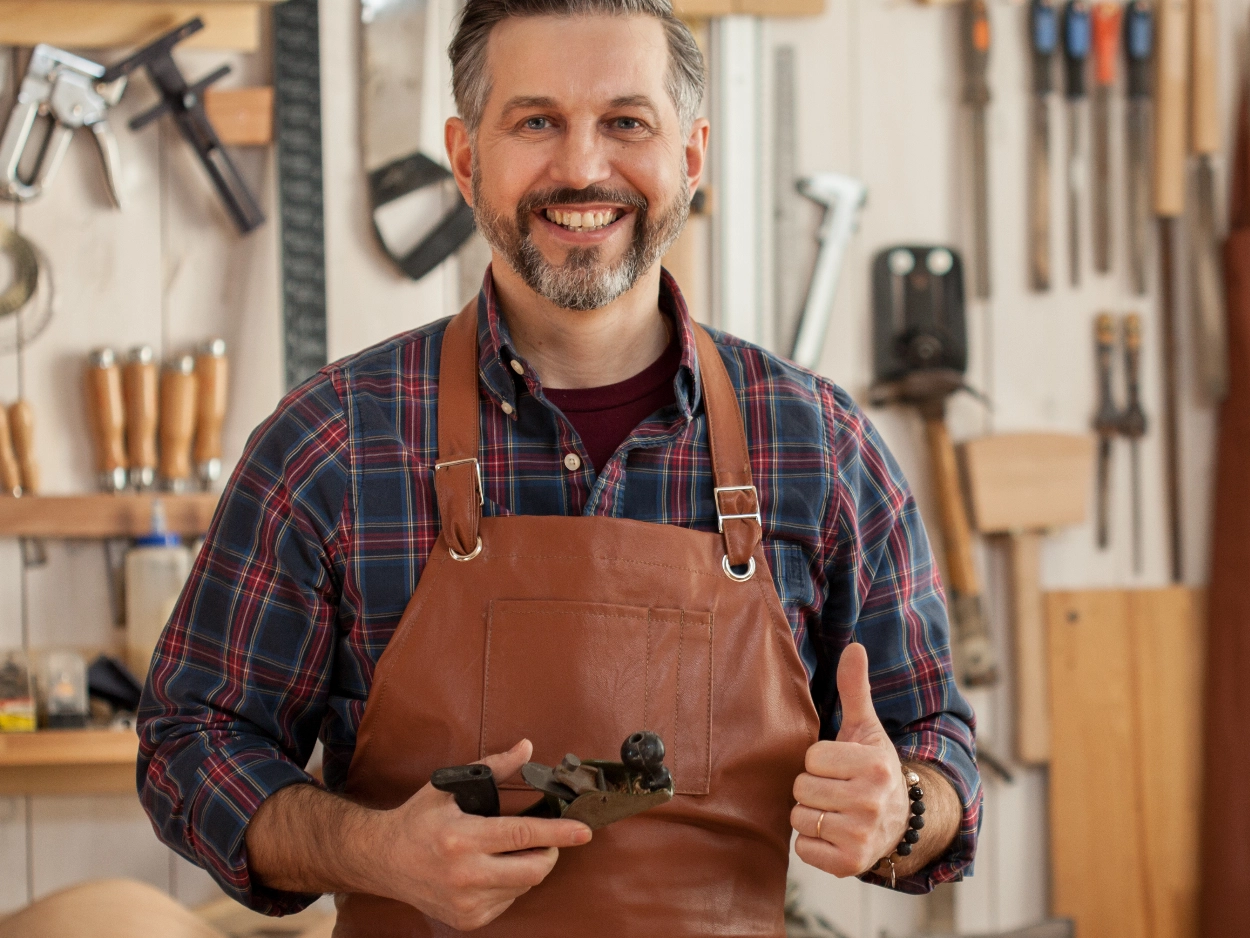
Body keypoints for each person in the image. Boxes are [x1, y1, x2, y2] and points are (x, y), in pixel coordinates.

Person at [135, 1, 979, 933]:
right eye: (536, 121)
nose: (582, 168)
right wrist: (373, 852)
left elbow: (938, 754)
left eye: (626, 122)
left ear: (689, 156)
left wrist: (899, 807)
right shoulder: (331, 441)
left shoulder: (818, 447)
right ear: (466, 158)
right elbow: (188, 744)